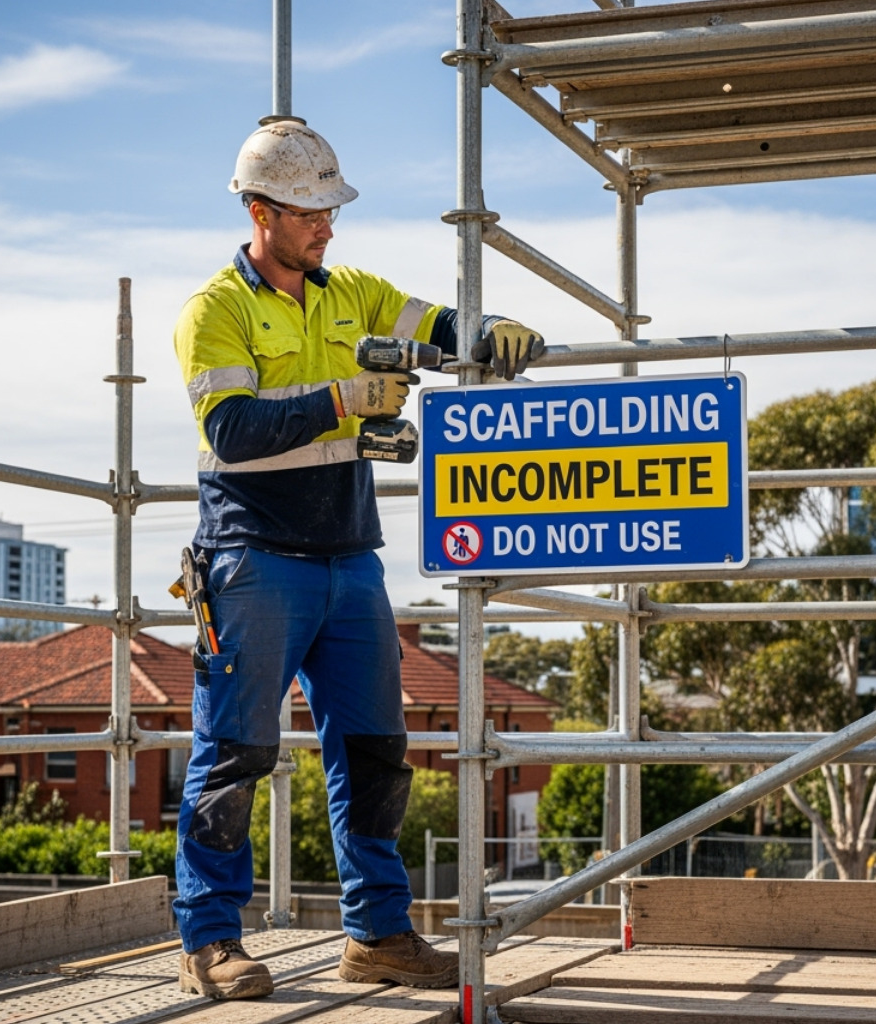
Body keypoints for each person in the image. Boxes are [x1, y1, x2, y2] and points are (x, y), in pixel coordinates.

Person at [170, 118, 542, 1001]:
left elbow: (441, 325)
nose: (326, 225)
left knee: (376, 751)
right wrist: (343, 397)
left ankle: (377, 934)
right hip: (252, 558)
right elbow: (232, 429)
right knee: (234, 753)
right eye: (309, 211)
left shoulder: (355, 293)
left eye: (331, 209)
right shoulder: (215, 310)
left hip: (350, 561)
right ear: (261, 211)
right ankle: (211, 942)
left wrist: (493, 333)